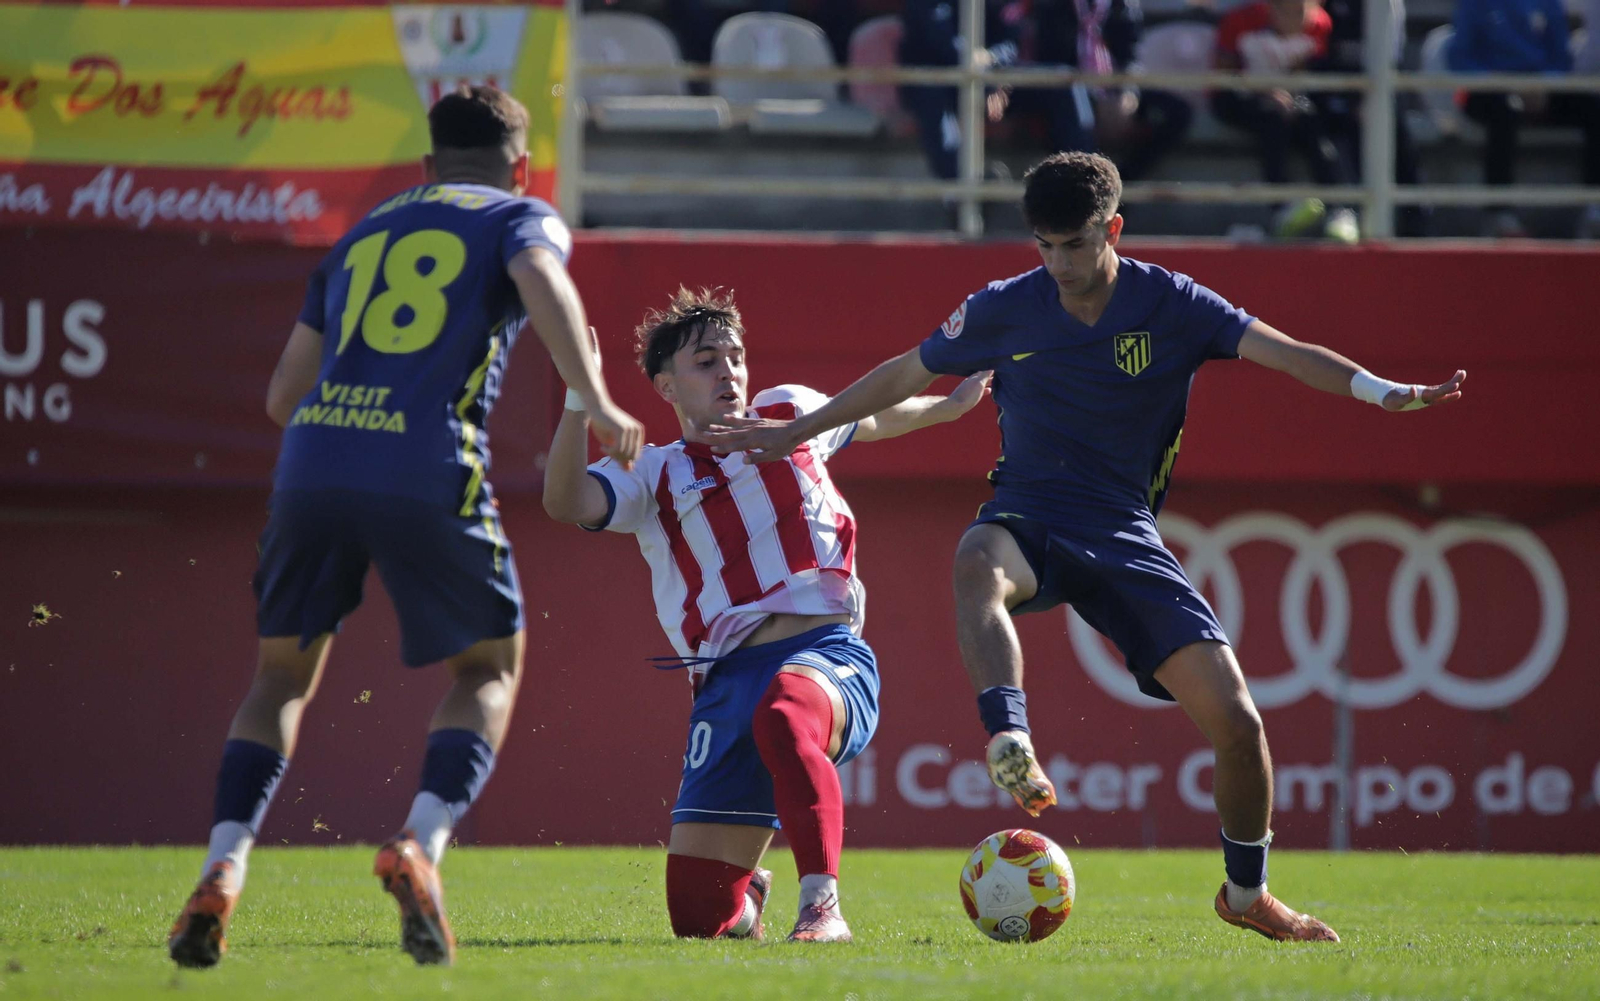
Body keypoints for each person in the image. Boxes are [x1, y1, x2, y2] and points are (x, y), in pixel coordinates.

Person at [705, 152, 1467, 942]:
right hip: (1029, 514)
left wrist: (1384, 391)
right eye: (1045, 245)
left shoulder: (1169, 302)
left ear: (1114, 228)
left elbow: (1287, 350)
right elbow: (904, 372)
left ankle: (1246, 895)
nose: (1059, 263)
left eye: (1075, 244)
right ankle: (1009, 735)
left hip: (1124, 532)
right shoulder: (1006, 306)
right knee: (976, 560)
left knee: (1240, 726)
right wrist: (799, 429)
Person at [165, 86, 644, 969]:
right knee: (489, 666)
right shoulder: (518, 215)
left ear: (427, 165)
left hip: (311, 460)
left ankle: (223, 866)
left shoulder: (362, 232)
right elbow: (543, 279)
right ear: (523, 165)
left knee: (278, 679)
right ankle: (420, 841)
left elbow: (280, 397)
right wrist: (598, 394)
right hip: (426, 458)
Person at [542, 287, 991, 943]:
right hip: (726, 682)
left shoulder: (789, 413)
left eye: (735, 356)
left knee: (785, 713)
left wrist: (948, 408)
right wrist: (578, 403)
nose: (728, 370)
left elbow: (873, 417)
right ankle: (748, 892)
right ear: (666, 384)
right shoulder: (654, 471)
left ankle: (822, 908)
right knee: (698, 921)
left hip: (824, 654)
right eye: (706, 360)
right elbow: (563, 500)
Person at [1210, 0, 1359, 242]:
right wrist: (1264, 91)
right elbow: (1224, 76)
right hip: (1239, 97)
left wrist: (1288, 93)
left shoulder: (1321, 24)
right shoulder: (1238, 22)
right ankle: (1281, 207)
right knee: (1272, 121)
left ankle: (1340, 209)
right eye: (1286, 9)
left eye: (1300, 10)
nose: (1295, 17)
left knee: (1312, 121)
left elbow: (1304, 69)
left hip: (1291, 99)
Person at [1449, 0, 1600, 238]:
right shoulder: (1475, 3)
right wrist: (1502, 83)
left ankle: (1595, 208)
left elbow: (1561, 59)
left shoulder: (1548, 3)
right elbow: (1459, 58)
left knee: (1593, 108)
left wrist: (1544, 85)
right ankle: (1499, 214)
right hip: (1489, 91)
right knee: (1505, 111)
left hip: (1540, 90)